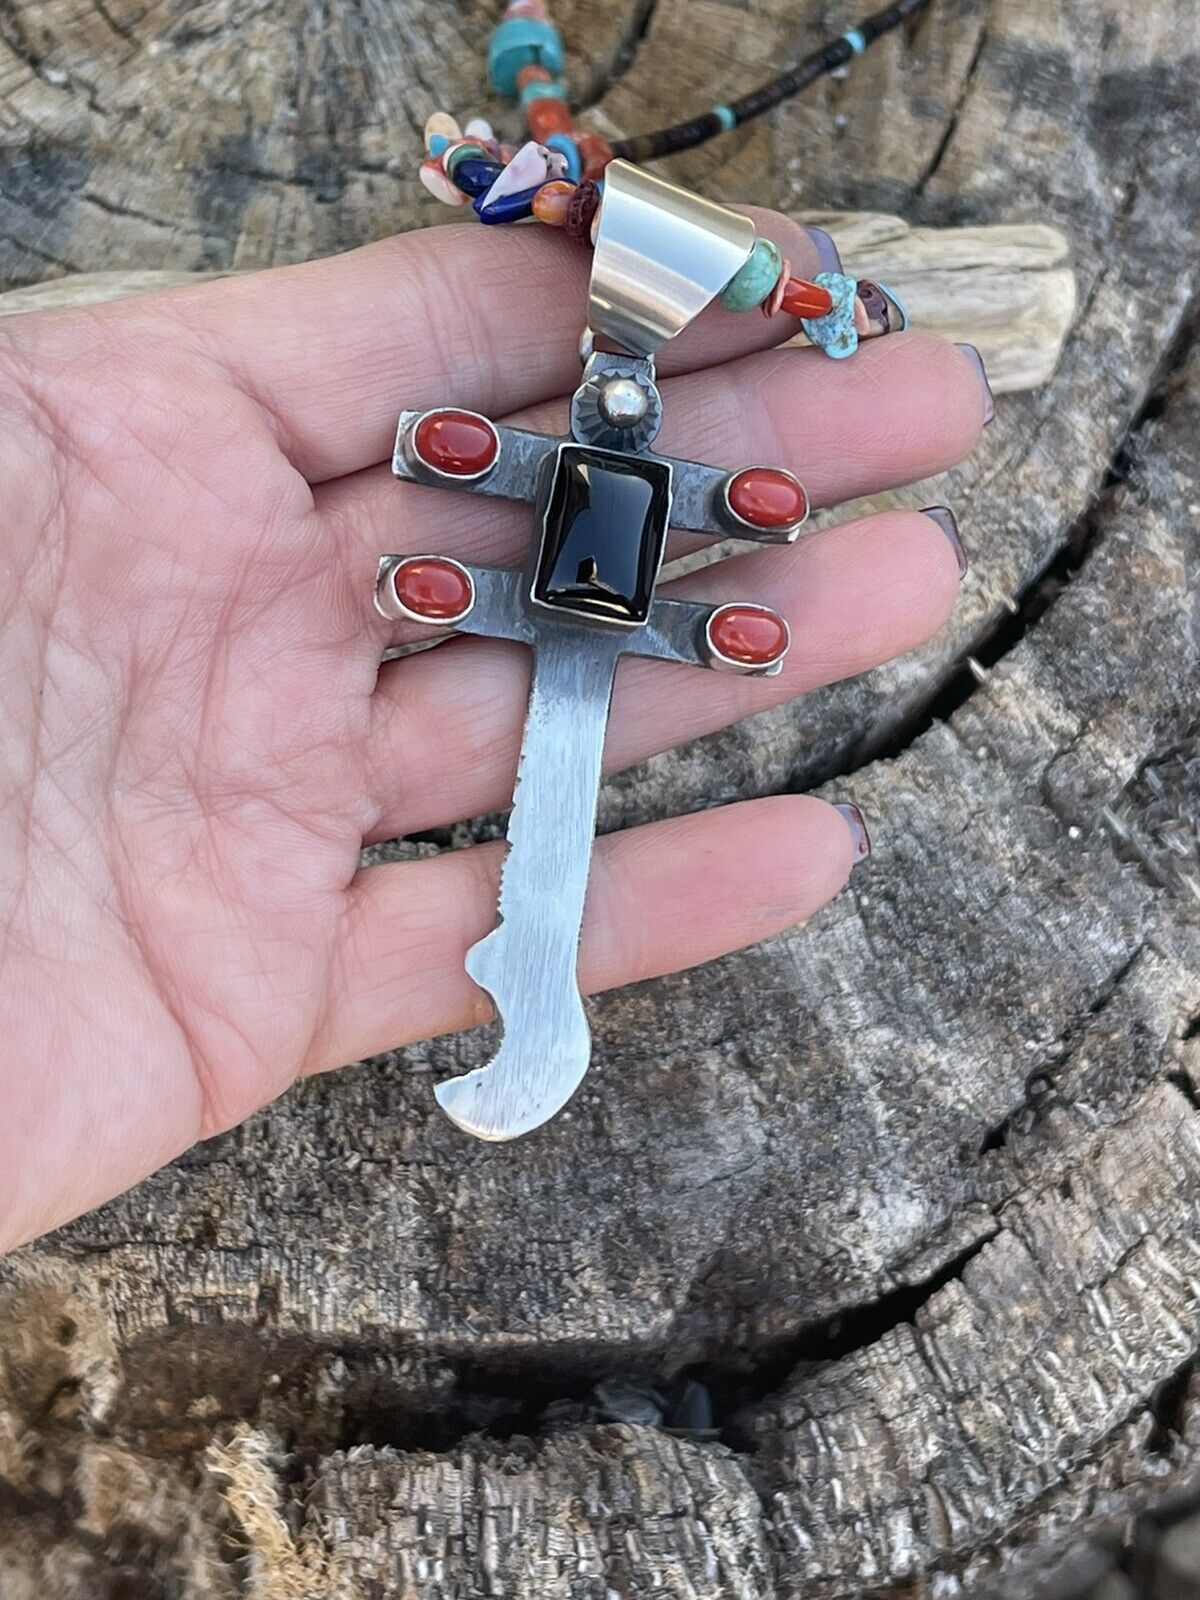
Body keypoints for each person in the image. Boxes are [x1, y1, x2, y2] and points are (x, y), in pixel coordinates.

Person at [0, 212, 988, 1253]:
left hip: (604, 621)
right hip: (546, 606)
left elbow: (741, 515)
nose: (623, 396)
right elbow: (458, 469)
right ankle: (533, 988)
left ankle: (535, 986)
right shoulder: (552, 427)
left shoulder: (652, 459)